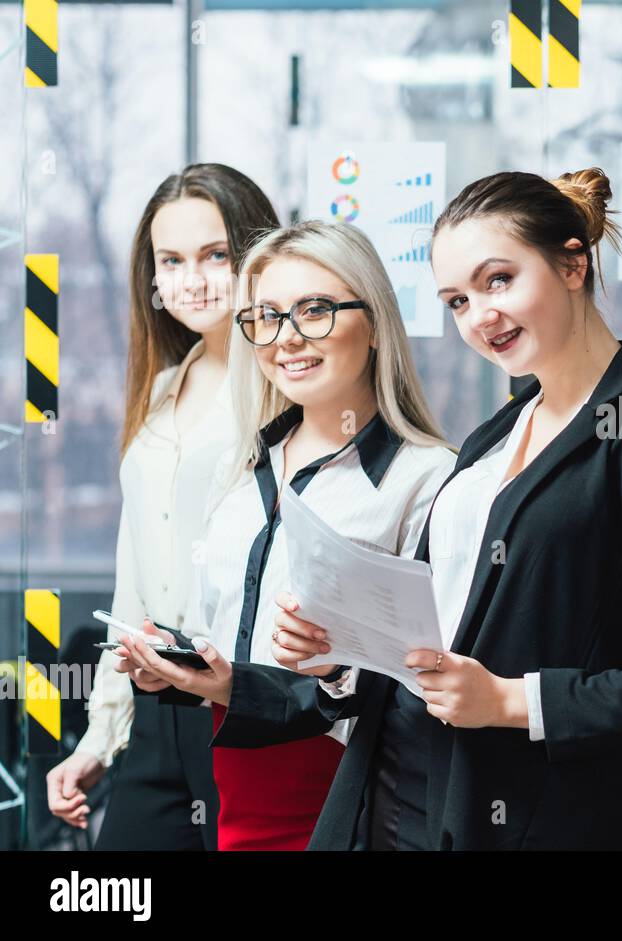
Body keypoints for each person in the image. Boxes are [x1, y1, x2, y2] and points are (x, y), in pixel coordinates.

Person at [268, 168, 622, 849]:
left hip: (533, 813)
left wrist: (513, 702)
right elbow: (449, 617)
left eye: (499, 280)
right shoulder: (505, 425)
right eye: (457, 301)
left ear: (574, 263)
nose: (479, 316)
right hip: (398, 783)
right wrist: (341, 650)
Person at [115, 220, 457, 850]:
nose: (286, 338)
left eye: (315, 310)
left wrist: (332, 662)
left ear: (376, 322)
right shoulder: (244, 467)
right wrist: (183, 659)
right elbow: (229, 629)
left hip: (343, 788)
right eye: (266, 317)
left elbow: (432, 680)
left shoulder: (427, 478)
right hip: (228, 781)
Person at [46, 164, 279, 850]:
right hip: (154, 715)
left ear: (258, 256)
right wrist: (99, 739)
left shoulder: (284, 383)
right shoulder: (163, 389)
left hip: (243, 708)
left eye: (216, 255)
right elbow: (133, 577)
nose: (193, 280)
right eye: (171, 261)